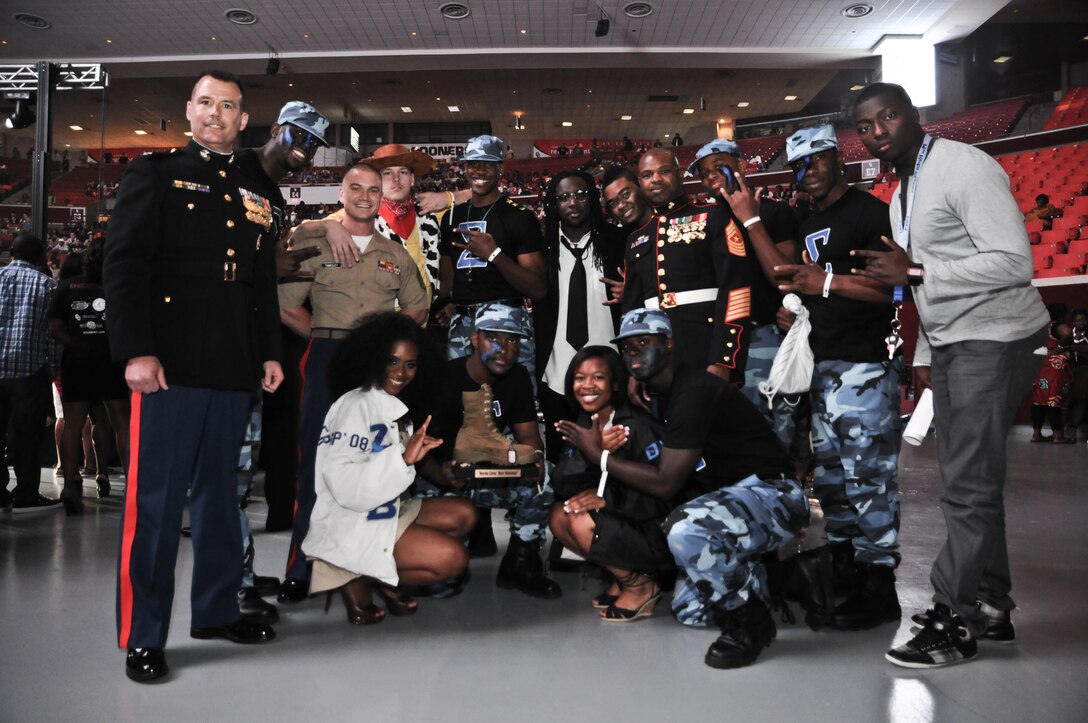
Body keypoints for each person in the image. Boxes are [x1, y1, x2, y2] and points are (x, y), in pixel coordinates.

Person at [852, 82, 1050, 668]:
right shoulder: (901, 191)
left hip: (997, 335)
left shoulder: (965, 165)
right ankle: (991, 606)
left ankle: (954, 620)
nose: (878, 131)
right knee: (975, 481)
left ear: (914, 116)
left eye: (888, 117)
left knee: (967, 485)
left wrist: (914, 267)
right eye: (865, 126)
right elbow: (922, 288)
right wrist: (925, 357)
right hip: (956, 342)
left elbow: (1016, 261)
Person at [103, 71, 284, 684]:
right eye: (206, 103)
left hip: (234, 365)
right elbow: (123, 266)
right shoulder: (153, 174)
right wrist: (136, 350)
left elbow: (260, 282)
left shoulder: (259, 186)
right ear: (189, 111)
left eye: (227, 106)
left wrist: (268, 352)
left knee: (219, 500)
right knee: (155, 504)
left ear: (242, 119)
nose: (215, 113)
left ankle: (213, 611)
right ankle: (143, 635)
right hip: (169, 366)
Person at [556, 309, 807, 668]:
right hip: (725, 502)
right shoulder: (654, 393)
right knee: (689, 611)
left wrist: (599, 456)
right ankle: (785, 576)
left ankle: (752, 624)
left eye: (645, 343)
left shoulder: (693, 390)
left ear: (670, 345)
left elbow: (665, 482)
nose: (634, 354)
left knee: (685, 528)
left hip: (771, 494)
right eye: (627, 348)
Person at [276, 163, 429, 603]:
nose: (364, 196)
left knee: (381, 463)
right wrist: (334, 344)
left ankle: (367, 567)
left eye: (373, 190)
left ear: (382, 196)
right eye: (355, 187)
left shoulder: (394, 252)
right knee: (315, 467)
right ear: (340, 192)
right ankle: (300, 569)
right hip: (326, 357)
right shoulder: (312, 238)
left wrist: (377, 345)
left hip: (378, 367)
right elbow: (287, 307)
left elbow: (417, 307)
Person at [773, 125, 904, 632]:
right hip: (822, 367)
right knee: (831, 482)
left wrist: (821, 283)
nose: (806, 173)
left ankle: (880, 586)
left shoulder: (870, 212)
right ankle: (845, 568)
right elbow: (817, 290)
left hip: (863, 367)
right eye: (797, 166)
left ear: (837, 159)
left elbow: (893, 291)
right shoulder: (810, 219)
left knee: (870, 480)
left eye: (814, 162)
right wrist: (799, 306)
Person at [302, 312, 475, 625]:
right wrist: (404, 460)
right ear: (373, 359)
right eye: (392, 361)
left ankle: (383, 575)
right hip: (353, 520)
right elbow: (344, 487)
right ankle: (358, 576)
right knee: (453, 558)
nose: (402, 372)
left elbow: (412, 461)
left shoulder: (395, 404)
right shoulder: (355, 405)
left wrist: (443, 474)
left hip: (385, 506)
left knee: (464, 514)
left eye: (410, 364)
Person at [233, 100, 333, 623]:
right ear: (276, 129)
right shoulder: (236, 169)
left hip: (254, 346)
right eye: (298, 136)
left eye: (313, 143)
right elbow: (219, 253)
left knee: (243, 467)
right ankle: (234, 584)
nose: (304, 148)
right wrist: (264, 261)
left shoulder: (272, 192)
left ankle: (242, 572)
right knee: (229, 476)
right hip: (220, 347)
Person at [418, 303, 560, 598]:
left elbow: (530, 437)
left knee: (545, 477)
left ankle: (520, 563)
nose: (503, 348)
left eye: (512, 340)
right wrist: (441, 475)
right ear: (474, 339)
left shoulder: (518, 376)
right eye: (493, 337)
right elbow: (418, 453)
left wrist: (532, 458)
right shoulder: (443, 379)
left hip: (489, 467)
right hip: (444, 475)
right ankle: (442, 557)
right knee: (441, 581)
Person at [687, 139, 802, 447]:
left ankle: (781, 490)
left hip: (762, 335)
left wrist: (751, 220)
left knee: (771, 428)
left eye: (718, 166)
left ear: (740, 165)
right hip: (719, 341)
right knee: (726, 430)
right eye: (703, 173)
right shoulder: (707, 220)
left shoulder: (775, 213)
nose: (710, 176)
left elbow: (786, 278)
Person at [548, 346, 673, 620]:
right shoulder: (586, 420)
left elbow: (664, 496)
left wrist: (608, 497)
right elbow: (562, 484)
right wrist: (593, 452)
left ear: (616, 383)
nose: (587, 386)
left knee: (581, 521)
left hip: (658, 531)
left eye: (598, 377)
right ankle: (626, 577)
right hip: (626, 519)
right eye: (580, 378)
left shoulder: (638, 426)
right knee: (560, 514)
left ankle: (641, 586)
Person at [621, 149, 753, 379]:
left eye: (664, 171)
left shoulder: (714, 216)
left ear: (680, 175)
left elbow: (736, 290)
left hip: (706, 350)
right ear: (640, 183)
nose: (656, 179)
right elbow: (632, 310)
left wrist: (724, 359)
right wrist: (634, 369)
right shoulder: (636, 239)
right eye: (647, 175)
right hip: (656, 363)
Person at [436, 135, 547, 380]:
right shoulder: (451, 217)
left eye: (489, 164)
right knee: (462, 403)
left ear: (500, 169)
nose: (481, 170)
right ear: (464, 167)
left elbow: (537, 289)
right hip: (462, 324)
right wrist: (452, 302)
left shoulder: (520, 217)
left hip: (505, 325)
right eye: (474, 163)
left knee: (513, 402)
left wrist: (494, 254)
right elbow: (449, 277)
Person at [535, 171, 625, 461]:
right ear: (553, 205)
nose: (572, 202)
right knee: (560, 457)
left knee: (613, 451)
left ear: (594, 199)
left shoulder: (618, 241)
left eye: (580, 194)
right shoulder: (541, 246)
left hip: (610, 363)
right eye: (563, 197)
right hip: (555, 367)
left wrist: (631, 291)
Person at [46, 235, 130, 515]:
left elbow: (55, 328)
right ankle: (132, 485)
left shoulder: (67, 286)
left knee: (72, 424)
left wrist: (77, 344)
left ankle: (70, 485)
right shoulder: (118, 286)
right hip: (111, 361)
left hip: (77, 362)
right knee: (120, 424)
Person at [0, 233, 61, 513]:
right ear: (40, 257)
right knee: (28, 436)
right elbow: (53, 335)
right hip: (30, 370)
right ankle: (26, 493)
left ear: (11, 252)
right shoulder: (47, 285)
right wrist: (53, 367)